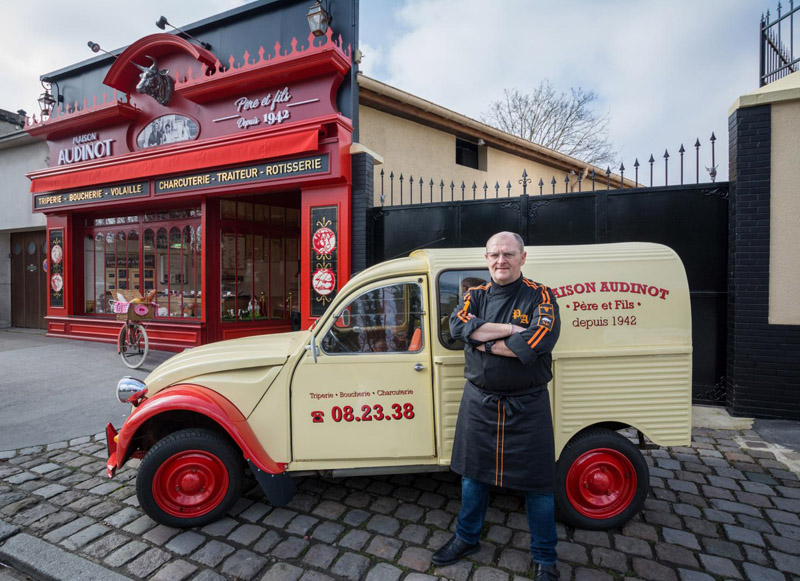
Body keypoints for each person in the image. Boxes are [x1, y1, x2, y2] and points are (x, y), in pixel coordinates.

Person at [433, 231, 561, 580]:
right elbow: (458, 326)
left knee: (539, 486)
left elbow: (534, 343)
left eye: (508, 254)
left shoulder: (542, 297)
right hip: (480, 402)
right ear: (486, 258)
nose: (500, 260)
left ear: (523, 257)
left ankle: (546, 558)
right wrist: (508, 329)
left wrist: (483, 342)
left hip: (528, 404)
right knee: (472, 476)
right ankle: (466, 538)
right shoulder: (473, 294)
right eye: (494, 254)